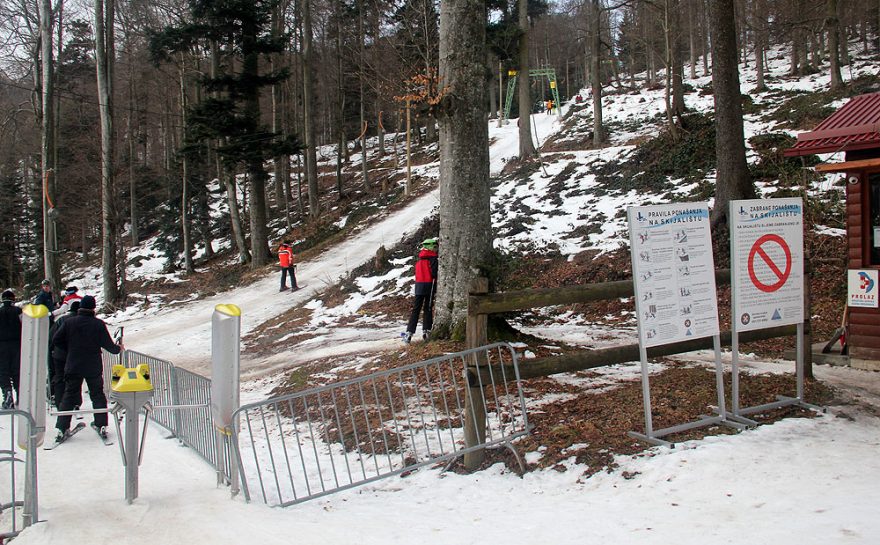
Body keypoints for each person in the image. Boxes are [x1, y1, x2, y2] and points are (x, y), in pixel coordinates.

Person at [51, 295, 123, 442]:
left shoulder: (69, 322)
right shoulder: (98, 324)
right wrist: (118, 348)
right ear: (93, 308)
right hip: (92, 365)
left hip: (74, 364)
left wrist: (69, 349)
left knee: (69, 395)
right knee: (97, 394)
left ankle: (62, 427)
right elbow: (108, 345)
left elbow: (56, 339)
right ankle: (101, 424)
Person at [402, 238, 438, 344]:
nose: (436, 249)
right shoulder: (433, 259)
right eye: (435, 247)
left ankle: (409, 333)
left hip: (419, 286)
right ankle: (427, 331)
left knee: (416, 309)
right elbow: (435, 273)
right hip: (429, 285)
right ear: (430, 247)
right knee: (428, 308)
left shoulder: (420, 259)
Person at [48, 299, 80, 409]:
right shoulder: (81, 321)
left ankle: (59, 401)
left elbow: (52, 337)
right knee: (75, 378)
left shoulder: (61, 320)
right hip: (75, 355)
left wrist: (53, 350)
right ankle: (75, 402)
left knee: (60, 377)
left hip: (59, 354)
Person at [0, 290, 22, 409]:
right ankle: (20, 394)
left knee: (3, 371)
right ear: (13, 299)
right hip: (17, 345)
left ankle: (7, 393)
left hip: (2, 345)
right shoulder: (19, 311)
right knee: (17, 370)